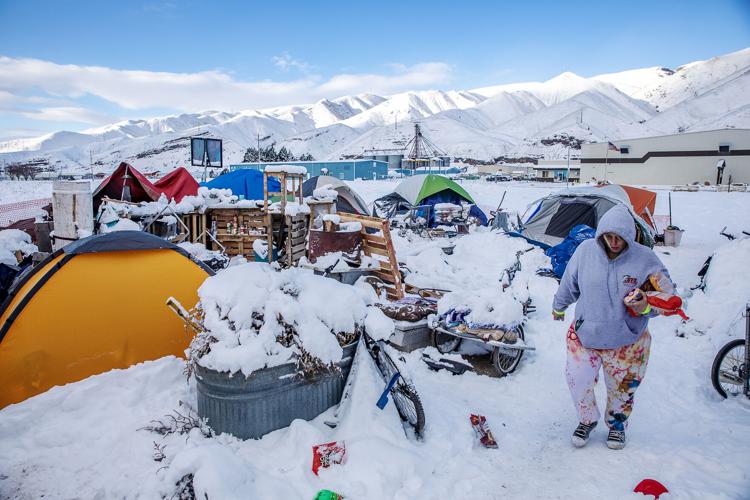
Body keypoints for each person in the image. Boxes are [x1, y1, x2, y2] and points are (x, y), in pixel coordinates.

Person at [551, 205, 674, 450]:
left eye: (620, 238)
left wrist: (645, 305)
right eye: (609, 237)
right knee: (578, 380)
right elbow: (570, 282)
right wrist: (559, 305)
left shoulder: (645, 258)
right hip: (586, 334)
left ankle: (617, 424)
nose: (614, 242)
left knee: (622, 388)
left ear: (630, 235)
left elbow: (669, 296)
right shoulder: (586, 251)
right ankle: (587, 420)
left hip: (627, 340)